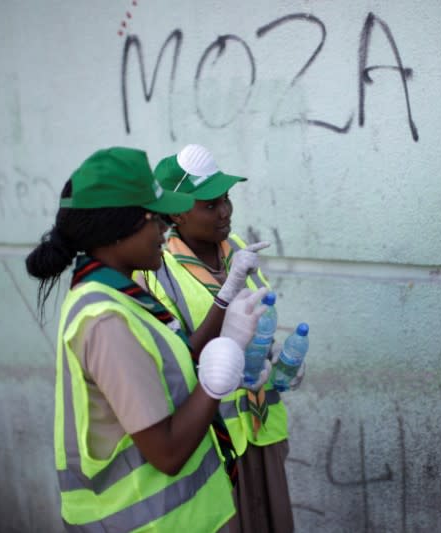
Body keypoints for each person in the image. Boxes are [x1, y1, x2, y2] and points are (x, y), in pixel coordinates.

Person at [25, 147, 269, 532]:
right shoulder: (105, 320)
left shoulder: (123, 299)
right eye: (155, 219)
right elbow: (167, 452)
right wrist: (218, 372)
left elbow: (169, 377)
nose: (163, 231)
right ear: (118, 229)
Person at [144, 144, 302, 533]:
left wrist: (277, 358)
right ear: (178, 213)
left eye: (226, 199)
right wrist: (226, 293)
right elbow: (182, 357)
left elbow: (258, 324)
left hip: (261, 427)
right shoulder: (156, 271)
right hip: (213, 439)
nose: (225, 211)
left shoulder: (237, 252)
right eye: (210, 205)